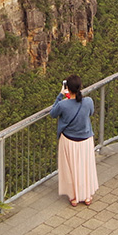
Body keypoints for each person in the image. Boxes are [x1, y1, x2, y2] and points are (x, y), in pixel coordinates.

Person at [50, 74, 99, 206]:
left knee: (70, 169)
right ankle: (87, 196)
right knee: (85, 167)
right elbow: (91, 112)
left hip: (69, 141)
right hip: (86, 140)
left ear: (68, 88)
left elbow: (53, 113)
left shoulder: (63, 105)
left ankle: (74, 197)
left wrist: (60, 95)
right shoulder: (88, 101)